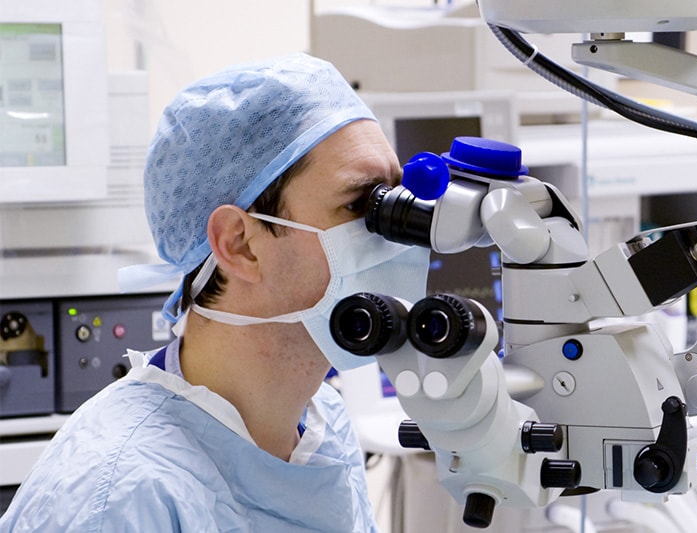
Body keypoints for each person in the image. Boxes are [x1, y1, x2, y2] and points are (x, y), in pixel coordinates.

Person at [0, 53, 429, 532]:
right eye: (361, 205)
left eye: (395, 196)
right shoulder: (117, 498)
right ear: (239, 243)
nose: (397, 235)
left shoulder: (321, 425)